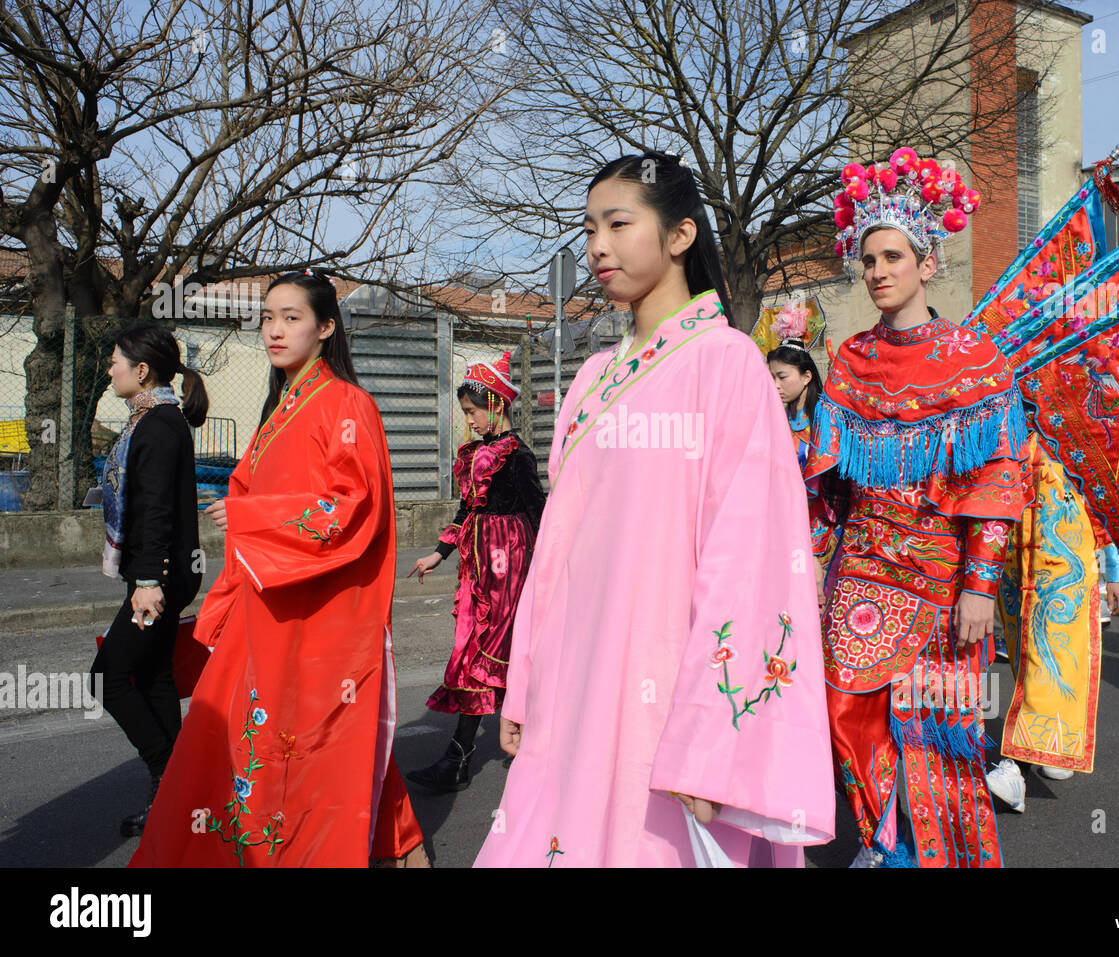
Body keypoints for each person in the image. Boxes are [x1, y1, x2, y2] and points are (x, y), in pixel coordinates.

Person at [474, 151, 835, 867]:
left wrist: (715, 743)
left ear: (679, 236)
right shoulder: (593, 377)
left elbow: (751, 558)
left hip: (670, 692)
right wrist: (528, 682)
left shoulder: (727, 363)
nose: (596, 246)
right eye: (588, 228)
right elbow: (558, 550)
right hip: (578, 683)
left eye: (617, 223)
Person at [130, 270, 428, 865]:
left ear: (326, 328)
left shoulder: (346, 404)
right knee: (270, 733)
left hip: (316, 605)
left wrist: (255, 515)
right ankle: (399, 847)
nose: (275, 329)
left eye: (292, 317)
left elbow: (350, 506)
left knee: (312, 735)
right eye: (268, 317)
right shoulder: (281, 406)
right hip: (266, 599)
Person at [807, 150, 1027, 867]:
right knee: (845, 706)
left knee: (936, 730)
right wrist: (810, 560)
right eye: (867, 258)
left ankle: (928, 851)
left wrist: (980, 585)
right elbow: (829, 485)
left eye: (892, 256)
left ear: (926, 263)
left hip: (940, 576)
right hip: (862, 568)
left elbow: (997, 477)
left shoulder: (975, 358)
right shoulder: (848, 361)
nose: (877, 270)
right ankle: (881, 836)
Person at [406, 354, 544, 792]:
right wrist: (437, 554)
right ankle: (468, 757)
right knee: (480, 655)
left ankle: (459, 759)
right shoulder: (473, 455)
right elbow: (466, 510)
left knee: (485, 657)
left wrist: (549, 573)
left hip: (509, 565)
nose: (468, 421)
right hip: (478, 566)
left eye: (472, 412)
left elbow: (539, 516)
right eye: (464, 413)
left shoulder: (518, 456)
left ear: (497, 405)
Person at [91, 325, 208, 836]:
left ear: (142, 371)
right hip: (159, 573)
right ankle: (173, 798)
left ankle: (173, 776)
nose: (110, 369)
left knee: (108, 676)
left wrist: (147, 580)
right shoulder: (155, 419)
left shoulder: (158, 425)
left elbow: (159, 509)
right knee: (154, 675)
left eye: (117, 361)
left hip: (157, 577)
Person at [984, 431, 1119, 812]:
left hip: (1067, 564)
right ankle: (1051, 746)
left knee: (1049, 660)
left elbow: (1104, 501)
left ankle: (1014, 769)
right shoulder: (1003, 416)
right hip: (1013, 561)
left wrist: (1116, 570)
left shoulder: (1076, 423)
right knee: (1023, 656)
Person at [766, 302, 824, 472]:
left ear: (806, 377)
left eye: (782, 377)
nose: (776, 385)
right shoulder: (774, 418)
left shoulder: (827, 418)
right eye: (772, 378)